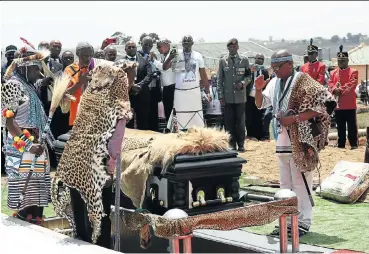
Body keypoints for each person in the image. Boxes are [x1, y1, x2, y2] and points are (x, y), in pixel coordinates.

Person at [254, 49, 334, 236]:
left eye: (278, 67)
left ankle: (303, 221)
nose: (275, 71)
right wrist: (258, 89)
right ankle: (287, 220)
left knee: (301, 182)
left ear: (289, 64)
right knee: (285, 183)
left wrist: (295, 118)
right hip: (281, 138)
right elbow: (260, 104)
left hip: (300, 138)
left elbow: (324, 105)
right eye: (272, 67)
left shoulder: (303, 80)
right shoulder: (274, 82)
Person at [1, 45, 54, 224]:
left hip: (37, 143)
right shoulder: (13, 85)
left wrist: (46, 83)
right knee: (25, 197)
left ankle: (37, 223)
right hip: (22, 146)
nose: (38, 70)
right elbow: (9, 122)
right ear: (23, 66)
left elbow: (32, 90)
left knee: (37, 194)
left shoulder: (28, 84)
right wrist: (29, 144)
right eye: (35, 67)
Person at [163, 35, 210, 131]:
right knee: (179, 117)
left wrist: (208, 91)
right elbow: (165, 67)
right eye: (185, 42)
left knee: (196, 120)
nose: (187, 43)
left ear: (192, 43)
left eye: (189, 42)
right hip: (180, 92)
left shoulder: (198, 56)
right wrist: (170, 57)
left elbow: (203, 75)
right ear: (182, 43)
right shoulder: (175, 53)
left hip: (194, 92)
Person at [217, 38, 250, 151]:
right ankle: (231, 144)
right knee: (229, 122)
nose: (232, 48)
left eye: (234, 47)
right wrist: (220, 95)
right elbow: (219, 80)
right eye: (230, 47)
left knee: (240, 122)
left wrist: (242, 83)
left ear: (237, 48)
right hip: (228, 97)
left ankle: (241, 144)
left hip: (240, 97)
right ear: (228, 48)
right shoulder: (223, 61)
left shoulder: (244, 60)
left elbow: (249, 76)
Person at [116, 40, 153, 130]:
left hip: (143, 95)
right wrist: (131, 86)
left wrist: (140, 85)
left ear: (136, 48)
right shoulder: (120, 62)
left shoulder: (145, 60)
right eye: (129, 47)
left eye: (133, 47)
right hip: (127, 96)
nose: (131, 49)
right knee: (128, 121)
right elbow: (118, 78)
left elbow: (149, 75)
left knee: (143, 121)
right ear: (125, 49)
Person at [328, 45, 359, 149]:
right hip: (338, 105)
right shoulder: (333, 73)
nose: (340, 62)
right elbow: (330, 83)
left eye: (343, 60)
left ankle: (353, 144)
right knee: (340, 126)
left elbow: (352, 84)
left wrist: (339, 90)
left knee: (351, 127)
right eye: (339, 60)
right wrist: (333, 90)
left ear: (347, 60)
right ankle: (341, 144)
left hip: (349, 104)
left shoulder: (353, 72)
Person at [245, 53, 269, 141]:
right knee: (249, 116)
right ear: (254, 59)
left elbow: (266, 84)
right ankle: (250, 135)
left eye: (262, 59)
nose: (260, 60)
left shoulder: (265, 71)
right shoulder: (249, 69)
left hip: (259, 97)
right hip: (249, 97)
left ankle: (260, 136)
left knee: (259, 116)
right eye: (259, 58)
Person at [153, 38, 176, 122]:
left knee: (173, 112)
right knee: (168, 111)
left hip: (173, 87)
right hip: (166, 88)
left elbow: (164, 67)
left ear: (167, 45)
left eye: (160, 47)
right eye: (157, 47)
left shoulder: (173, 55)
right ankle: (170, 130)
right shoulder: (162, 56)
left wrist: (154, 61)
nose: (158, 49)